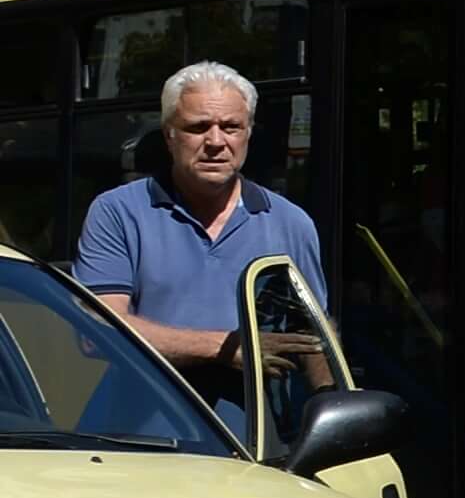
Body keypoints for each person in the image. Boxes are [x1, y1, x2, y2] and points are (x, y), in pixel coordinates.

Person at [75, 61, 330, 435]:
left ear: (247, 135)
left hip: (257, 451)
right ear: (169, 136)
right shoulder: (118, 213)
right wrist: (225, 348)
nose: (215, 141)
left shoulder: (291, 223)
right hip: (139, 446)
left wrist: (333, 402)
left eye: (230, 127)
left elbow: (313, 334)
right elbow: (97, 332)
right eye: (198, 127)